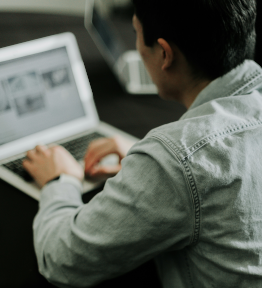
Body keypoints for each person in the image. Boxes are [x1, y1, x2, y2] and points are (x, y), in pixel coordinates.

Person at [23, 0, 262, 287]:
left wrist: (59, 180)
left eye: (135, 32)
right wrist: (152, 165)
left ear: (164, 53)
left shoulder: (177, 161)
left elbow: (60, 259)